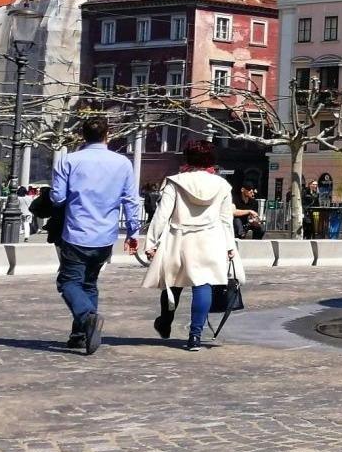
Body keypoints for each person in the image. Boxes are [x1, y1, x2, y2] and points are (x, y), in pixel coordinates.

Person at [50, 115, 141, 355]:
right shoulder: (122, 163)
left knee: (68, 282)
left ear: (83, 135)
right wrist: (133, 231)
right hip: (105, 234)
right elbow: (131, 200)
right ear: (107, 135)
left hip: (75, 231)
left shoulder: (68, 161)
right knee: (89, 283)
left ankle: (87, 317)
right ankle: (80, 335)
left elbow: (57, 198)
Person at [141, 140, 239, 351]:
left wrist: (151, 242)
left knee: (172, 284)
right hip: (211, 240)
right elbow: (225, 220)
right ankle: (195, 336)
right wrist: (230, 246)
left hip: (179, 238)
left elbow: (161, 215)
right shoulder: (222, 185)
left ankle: (165, 322)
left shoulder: (176, 182)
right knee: (203, 285)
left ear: (187, 158)